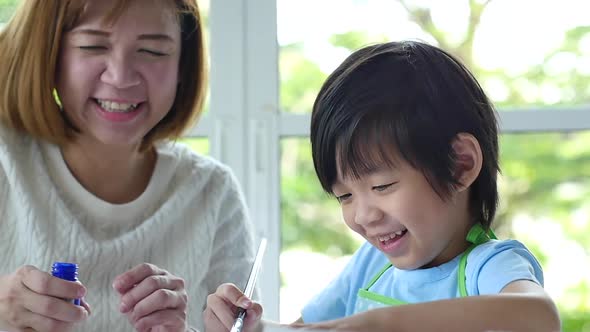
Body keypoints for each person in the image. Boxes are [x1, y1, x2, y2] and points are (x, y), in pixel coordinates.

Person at [203, 40, 561, 332]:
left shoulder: (488, 267)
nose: (363, 215)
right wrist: (255, 329)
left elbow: (540, 316)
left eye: (383, 185)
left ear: (460, 164)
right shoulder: (371, 265)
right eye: (344, 195)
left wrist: (383, 322)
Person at [0, 0, 257, 331]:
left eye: (151, 51)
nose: (120, 77)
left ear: (184, 67)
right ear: (49, 55)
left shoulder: (213, 191)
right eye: (92, 45)